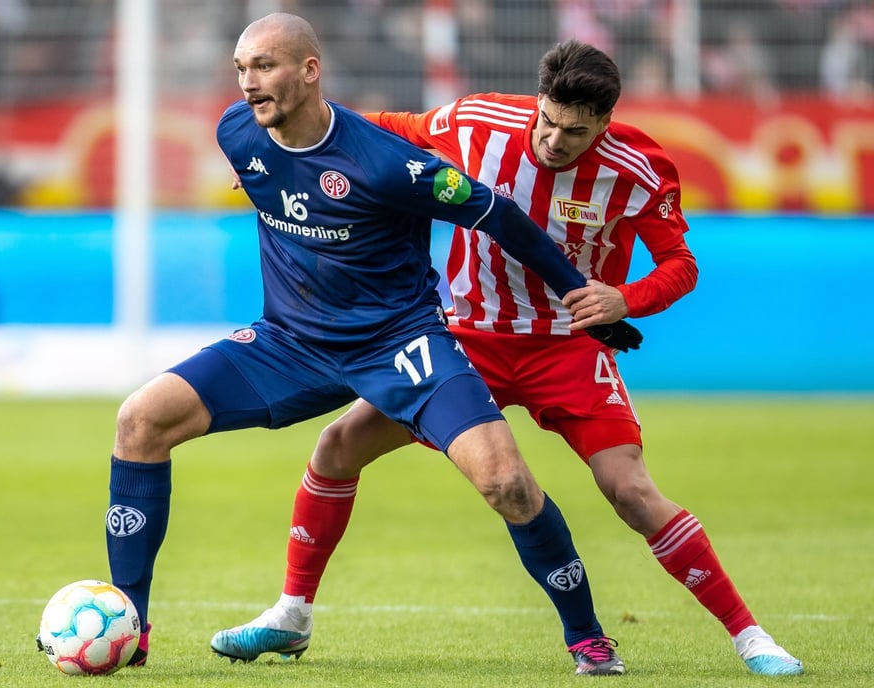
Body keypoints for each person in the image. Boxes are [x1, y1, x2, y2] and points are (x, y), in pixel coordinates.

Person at [210, 40, 805, 677]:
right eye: (546, 121)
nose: (552, 141)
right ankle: (291, 615)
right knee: (336, 446)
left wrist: (624, 298)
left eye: (574, 132)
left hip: (565, 347)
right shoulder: (476, 122)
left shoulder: (638, 166)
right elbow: (375, 132)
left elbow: (681, 265)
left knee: (629, 490)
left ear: (604, 123)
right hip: (464, 340)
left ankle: (750, 638)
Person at [99, 14, 641, 673]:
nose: (248, 83)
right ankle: (128, 627)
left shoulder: (389, 164)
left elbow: (498, 213)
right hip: (289, 342)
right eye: (241, 68)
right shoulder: (238, 133)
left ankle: (586, 636)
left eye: (264, 66)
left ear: (309, 69)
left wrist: (577, 293)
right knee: (139, 421)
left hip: (400, 345)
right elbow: (278, 181)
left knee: (506, 482)